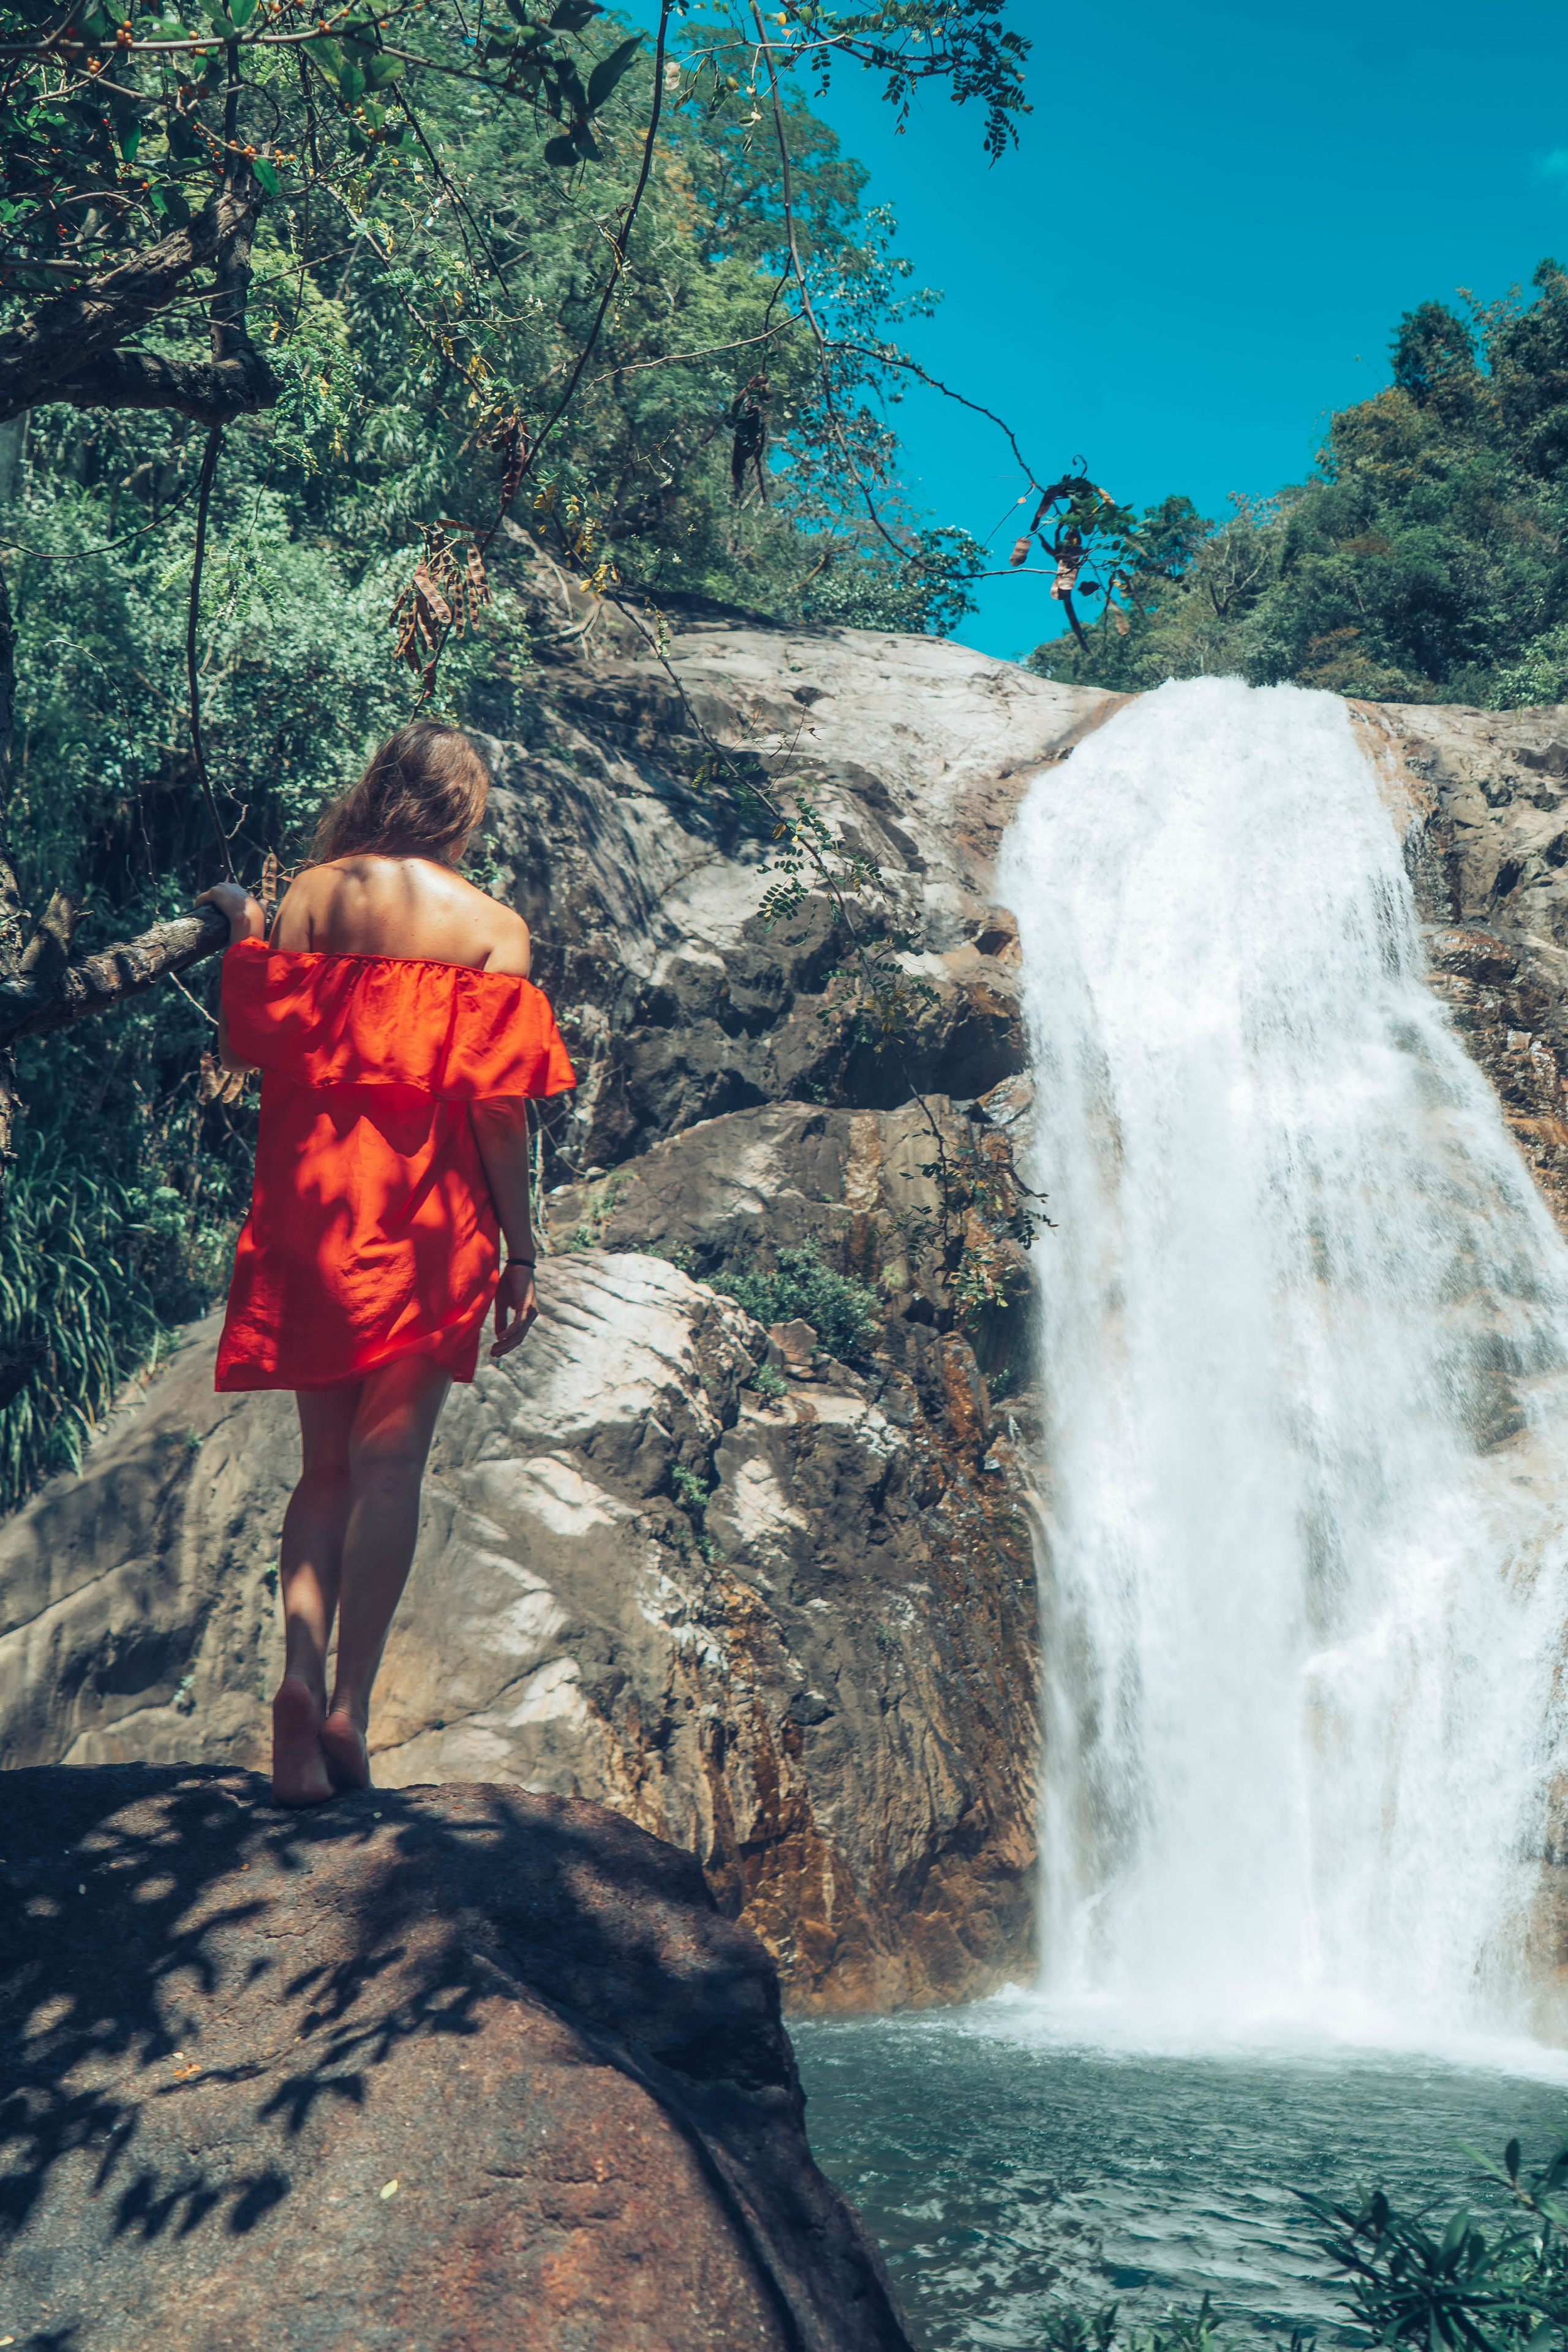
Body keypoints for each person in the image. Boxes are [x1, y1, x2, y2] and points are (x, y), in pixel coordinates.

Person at [197, 722, 575, 1808]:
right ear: (467, 808)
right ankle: (350, 1707)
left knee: (321, 1471)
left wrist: (248, 930)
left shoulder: (316, 897)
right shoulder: (493, 930)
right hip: (429, 1225)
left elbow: (248, 1040)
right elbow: (497, 1113)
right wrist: (520, 1248)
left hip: (314, 1213)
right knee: (390, 1468)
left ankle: (296, 1680)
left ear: (378, 790)